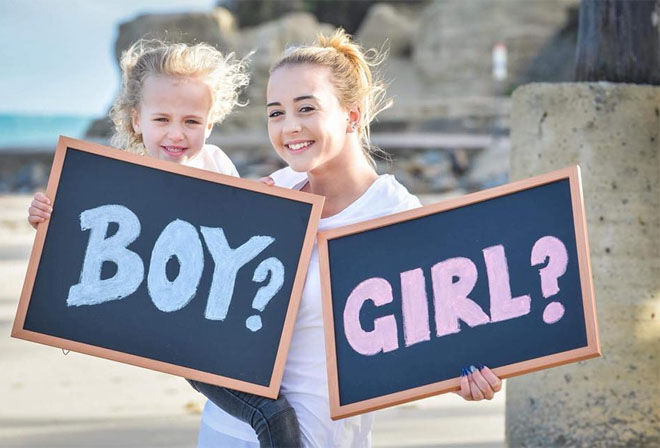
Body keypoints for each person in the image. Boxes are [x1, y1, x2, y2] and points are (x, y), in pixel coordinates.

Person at [195, 29, 503, 448]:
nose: (289, 127)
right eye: (276, 112)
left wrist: (462, 377)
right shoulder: (271, 195)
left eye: (306, 108)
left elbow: (432, 332)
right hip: (228, 432)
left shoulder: (396, 214)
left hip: (323, 437)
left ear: (352, 114)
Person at [26, 39, 304, 448]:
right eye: (162, 119)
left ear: (210, 124)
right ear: (136, 120)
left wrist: (258, 203)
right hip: (185, 338)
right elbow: (84, 241)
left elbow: (239, 231)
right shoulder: (120, 181)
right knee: (273, 414)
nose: (177, 134)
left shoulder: (216, 163)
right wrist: (47, 218)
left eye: (192, 122)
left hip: (224, 322)